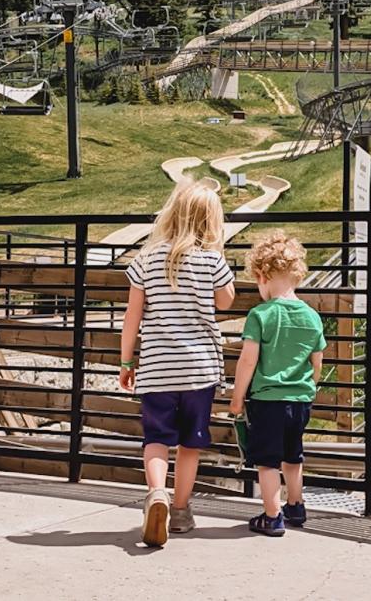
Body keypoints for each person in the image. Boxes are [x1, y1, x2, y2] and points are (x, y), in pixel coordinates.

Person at [119, 179, 235, 547]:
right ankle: (181, 510)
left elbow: (131, 318)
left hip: (156, 368)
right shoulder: (211, 260)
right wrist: (218, 257)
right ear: (211, 222)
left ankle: (156, 494)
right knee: (190, 443)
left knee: (156, 440)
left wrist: (126, 363)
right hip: (199, 370)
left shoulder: (146, 259)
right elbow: (226, 302)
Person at [228, 229, 326, 536]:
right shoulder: (312, 316)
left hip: (267, 401)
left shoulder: (260, 315)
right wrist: (308, 389)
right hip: (300, 401)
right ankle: (296, 505)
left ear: (261, 275)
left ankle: (272, 515)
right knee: (292, 456)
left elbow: (248, 361)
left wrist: (236, 397)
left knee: (267, 461)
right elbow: (317, 362)